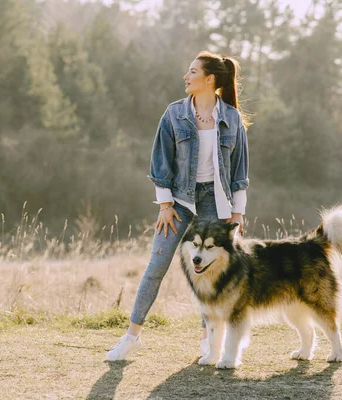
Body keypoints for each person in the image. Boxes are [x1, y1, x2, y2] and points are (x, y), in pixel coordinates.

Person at [106, 50, 250, 361]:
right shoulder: (174, 114)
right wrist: (164, 204)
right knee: (155, 267)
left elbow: (240, 171)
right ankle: (131, 337)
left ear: (209, 79)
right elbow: (161, 161)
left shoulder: (232, 117)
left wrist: (236, 214)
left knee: (208, 275)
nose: (186, 77)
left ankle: (207, 343)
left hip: (216, 205)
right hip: (180, 203)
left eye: (192, 72)